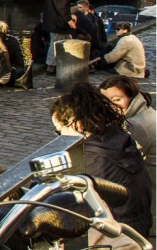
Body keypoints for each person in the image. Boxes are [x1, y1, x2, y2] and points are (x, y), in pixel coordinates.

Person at [51, 83, 152, 236]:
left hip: (114, 236)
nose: (60, 138)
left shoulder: (91, 158)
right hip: (136, 227)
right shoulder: (117, 138)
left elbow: (72, 208)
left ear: (76, 122)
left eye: (59, 131)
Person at [100, 76, 156, 235]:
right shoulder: (146, 112)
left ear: (131, 98)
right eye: (105, 101)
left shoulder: (135, 125)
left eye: (116, 99)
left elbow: (119, 164)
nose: (110, 105)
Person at [41, 0, 71, 74]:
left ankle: (64, 62)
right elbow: (61, 5)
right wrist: (68, 19)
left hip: (57, 21)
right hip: (57, 21)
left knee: (67, 40)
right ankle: (51, 65)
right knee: (56, 42)